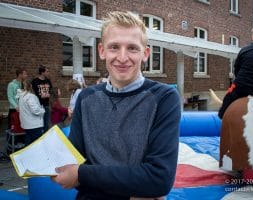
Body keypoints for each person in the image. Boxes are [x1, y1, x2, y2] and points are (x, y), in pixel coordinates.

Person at [52, 11, 181, 199]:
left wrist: (82, 174)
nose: (122, 57)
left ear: (145, 54)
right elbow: (72, 163)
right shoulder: (86, 98)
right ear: (102, 51)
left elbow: (158, 179)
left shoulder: (164, 98)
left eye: (132, 48)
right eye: (114, 47)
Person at [18, 79, 45, 146]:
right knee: (36, 145)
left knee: (28, 144)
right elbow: (35, 110)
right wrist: (43, 110)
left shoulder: (21, 96)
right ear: (31, 86)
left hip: (27, 124)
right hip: (34, 125)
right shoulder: (31, 97)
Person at [31, 65, 52, 131]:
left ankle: (45, 138)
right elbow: (32, 92)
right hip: (38, 105)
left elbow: (51, 91)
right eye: (47, 71)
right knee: (38, 123)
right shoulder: (35, 81)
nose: (48, 73)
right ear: (42, 72)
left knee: (46, 123)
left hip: (46, 105)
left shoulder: (48, 81)